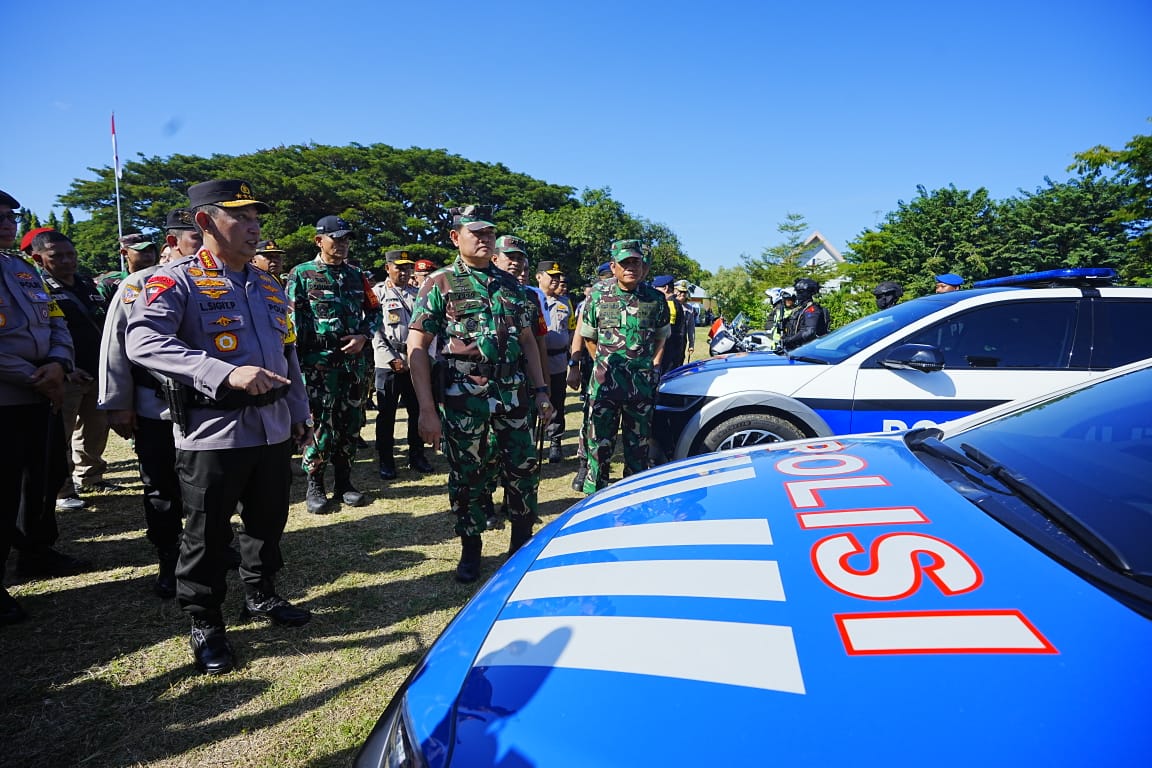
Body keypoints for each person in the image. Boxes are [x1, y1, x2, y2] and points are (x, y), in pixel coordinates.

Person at [125, 179, 314, 675]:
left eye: (256, 218)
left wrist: (299, 413)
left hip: (273, 428)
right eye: (241, 218)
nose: (254, 228)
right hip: (213, 432)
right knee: (207, 532)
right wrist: (223, 372)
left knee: (267, 521)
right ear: (205, 223)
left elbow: (288, 355)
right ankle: (205, 620)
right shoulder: (176, 280)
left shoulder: (269, 284)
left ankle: (261, 594)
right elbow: (143, 342)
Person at [407, 205, 554, 583]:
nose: (485, 238)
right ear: (456, 238)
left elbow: (527, 342)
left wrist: (540, 391)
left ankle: (521, 547)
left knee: (522, 469)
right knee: (468, 474)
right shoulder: (439, 283)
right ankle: (470, 549)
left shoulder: (513, 287)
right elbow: (418, 345)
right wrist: (426, 408)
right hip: (463, 397)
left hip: (512, 395)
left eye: (490, 233)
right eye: (476, 232)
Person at [1, 190, 78, 624]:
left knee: (43, 475)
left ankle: (36, 551)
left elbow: (55, 321)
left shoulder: (23, 269)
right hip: (9, 394)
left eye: (10, 215)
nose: (7, 223)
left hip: (42, 390)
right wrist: (34, 374)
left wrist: (58, 363)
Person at [286, 215, 380, 513]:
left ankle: (344, 483)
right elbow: (290, 320)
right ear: (319, 241)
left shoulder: (356, 275)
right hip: (318, 365)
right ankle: (315, 484)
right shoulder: (302, 274)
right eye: (335, 239)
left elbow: (374, 312)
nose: (341, 245)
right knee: (319, 425)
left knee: (350, 424)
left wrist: (364, 336)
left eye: (346, 239)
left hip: (354, 365)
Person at [29, 231, 117, 512]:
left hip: (96, 372)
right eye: (57, 256)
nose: (68, 261)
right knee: (60, 435)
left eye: (72, 255)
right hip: (65, 374)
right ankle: (62, 490)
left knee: (96, 429)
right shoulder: (39, 289)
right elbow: (44, 335)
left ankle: (91, 476)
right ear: (38, 259)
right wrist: (66, 368)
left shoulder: (86, 284)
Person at [576, 239, 670, 494]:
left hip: (640, 386)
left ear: (643, 266)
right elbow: (588, 336)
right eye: (625, 263)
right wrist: (602, 362)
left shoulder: (655, 299)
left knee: (637, 445)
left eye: (636, 262)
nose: (631, 267)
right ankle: (594, 496)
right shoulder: (597, 295)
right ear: (614, 266)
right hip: (605, 384)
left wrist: (654, 362)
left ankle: (633, 495)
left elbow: (662, 335)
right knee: (599, 444)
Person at [372, 248, 432, 479]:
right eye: (400, 267)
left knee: (417, 409)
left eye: (408, 267)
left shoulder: (418, 294)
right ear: (388, 268)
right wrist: (392, 359)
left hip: (415, 360)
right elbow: (374, 331)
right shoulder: (378, 294)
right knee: (386, 413)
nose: (405, 271)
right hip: (387, 363)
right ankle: (386, 460)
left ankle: (417, 455)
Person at [534, 258, 571, 462]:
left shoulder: (565, 303)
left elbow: (571, 331)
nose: (556, 281)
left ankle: (555, 442)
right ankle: (531, 441)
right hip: (536, 361)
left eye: (558, 277)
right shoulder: (532, 299)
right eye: (552, 277)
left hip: (558, 360)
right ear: (539, 277)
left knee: (557, 401)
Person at [97, 233, 158, 302]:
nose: (148, 254)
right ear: (125, 253)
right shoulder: (110, 283)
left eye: (151, 250)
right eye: (142, 250)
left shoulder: (163, 279)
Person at [653, 275, 690, 376]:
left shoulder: (670, 304)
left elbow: (668, 330)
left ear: (665, 288)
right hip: (674, 350)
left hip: (669, 351)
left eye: (656, 288)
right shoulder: (674, 302)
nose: (654, 291)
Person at [780, 277, 830, 351]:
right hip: (794, 349)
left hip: (806, 350)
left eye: (800, 292)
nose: (797, 295)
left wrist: (789, 340)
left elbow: (809, 331)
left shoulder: (812, 309)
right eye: (797, 292)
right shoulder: (799, 309)